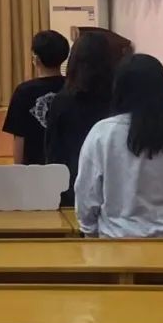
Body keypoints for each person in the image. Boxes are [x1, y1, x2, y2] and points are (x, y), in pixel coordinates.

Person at [76, 54, 163, 238]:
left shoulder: (103, 133)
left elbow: (87, 192)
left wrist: (89, 230)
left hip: (118, 239)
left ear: (119, 89)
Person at [46, 31, 114, 207]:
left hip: (72, 183)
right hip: (112, 183)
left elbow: (53, 150)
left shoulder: (62, 100)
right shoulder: (118, 98)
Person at [2, 30, 69, 165]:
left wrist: (18, 169)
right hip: (67, 166)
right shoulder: (72, 87)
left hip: (34, 168)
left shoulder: (23, 91)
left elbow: (19, 137)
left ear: (36, 59)